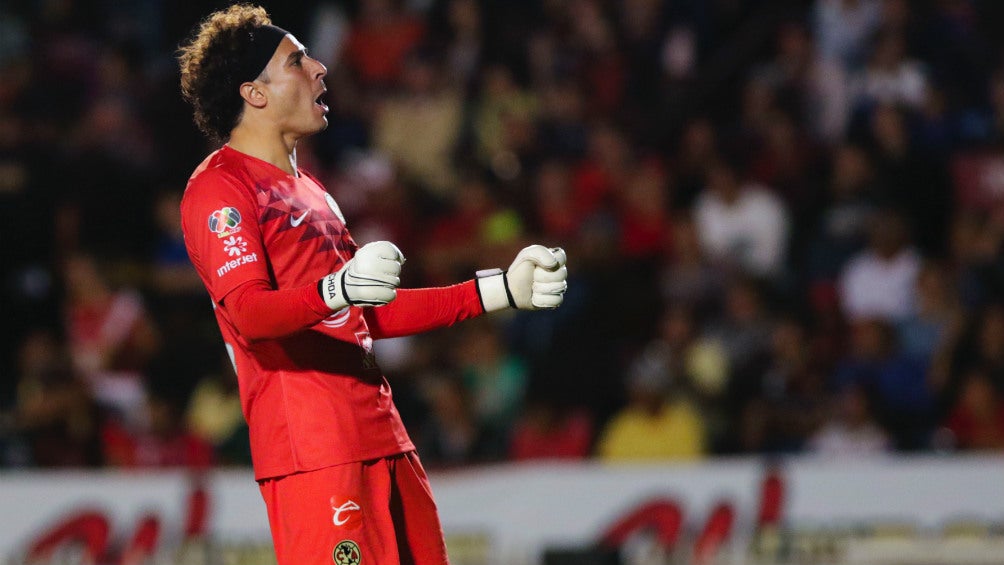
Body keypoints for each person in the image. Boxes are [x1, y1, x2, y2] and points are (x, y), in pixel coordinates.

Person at [176, 6, 568, 565]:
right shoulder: (220, 189)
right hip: (315, 451)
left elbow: (368, 312)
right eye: (296, 61)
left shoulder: (311, 189)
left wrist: (498, 291)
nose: (320, 68)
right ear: (254, 93)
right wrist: (337, 289)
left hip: (383, 435)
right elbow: (250, 314)